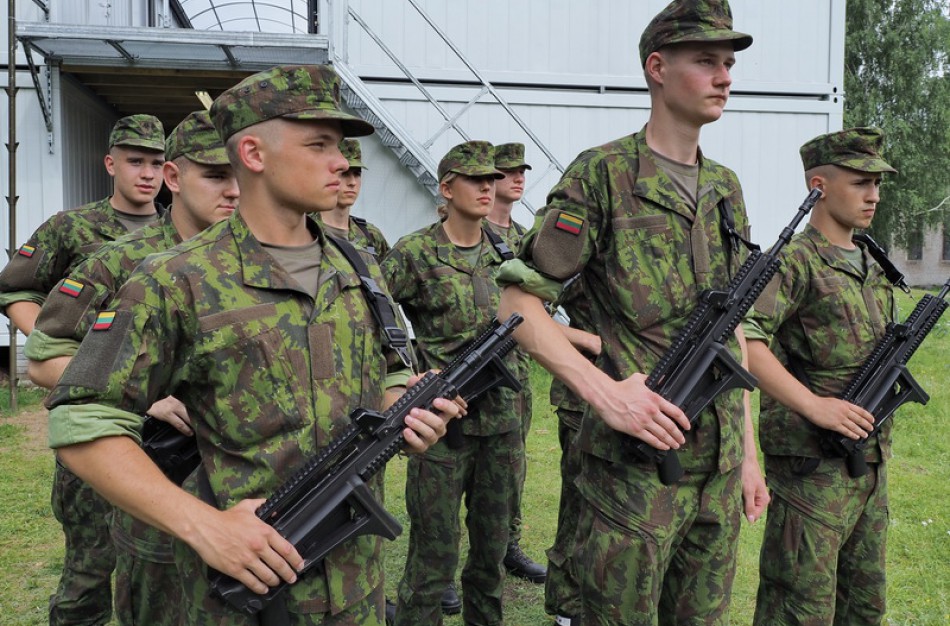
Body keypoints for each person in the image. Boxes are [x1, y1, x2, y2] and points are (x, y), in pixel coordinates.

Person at [45, 64, 459, 626]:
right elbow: (81, 422)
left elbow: (389, 369)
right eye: (318, 144)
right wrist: (205, 526)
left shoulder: (360, 268)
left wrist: (404, 412)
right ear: (254, 154)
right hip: (238, 596)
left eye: (339, 146)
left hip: (354, 586)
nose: (341, 161)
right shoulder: (176, 279)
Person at [496, 1, 769, 624]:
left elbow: (737, 332)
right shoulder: (603, 175)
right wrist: (605, 394)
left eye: (728, 62)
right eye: (706, 61)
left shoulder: (725, 186)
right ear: (657, 67)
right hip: (632, 474)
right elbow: (517, 301)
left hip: (717, 471)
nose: (725, 75)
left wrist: (749, 453)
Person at [26, 109, 239, 625]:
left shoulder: (252, 264)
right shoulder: (122, 261)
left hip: (219, 475)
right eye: (215, 175)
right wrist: (144, 395)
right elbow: (44, 357)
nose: (233, 191)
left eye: (240, 176)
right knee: (97, 578)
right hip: (127, 458)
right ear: (176, 178)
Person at [0, 113, 164, 626]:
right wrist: (58, 353)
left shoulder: (182, 231)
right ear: (110, 163)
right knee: (90, 566)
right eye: (135, 161)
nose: (147, 173)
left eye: (157, 163)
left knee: (159, 565)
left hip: (163, 418)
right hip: (93, 406)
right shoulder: (73, 227)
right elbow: (16, 289)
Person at [743, 127, 899, 626]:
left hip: (869, 465)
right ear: (820, 185)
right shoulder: (793, 261)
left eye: (877, 183)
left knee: (864, 604)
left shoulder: (871, 260)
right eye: (860, 182)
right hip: (811, 471)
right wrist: (813, 404)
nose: (873, 195)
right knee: (799, 608)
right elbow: (745, 339)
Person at [383, 140, 531, 626]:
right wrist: (407, 372)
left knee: (489, 560)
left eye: (492, 180)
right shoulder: (415, 253)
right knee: (432, 561)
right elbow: (372, 321)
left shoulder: (509, 251)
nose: (488, 188)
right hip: (442, 430)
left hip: (504, 427)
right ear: (447, 188)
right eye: (476, 180)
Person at [485, 141, 547, 585]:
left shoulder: (525, 239)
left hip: (517, 373)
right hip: (473, 370)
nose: (517, 179)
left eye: (521, 171)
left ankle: (509, 545)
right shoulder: (466, 233)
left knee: (514, 462)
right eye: (508, 173)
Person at [318, 138, 391, 259]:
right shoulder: (305, 231)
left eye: (357, 174)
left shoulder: (371, 236)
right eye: (344, 173)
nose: (352, 182)